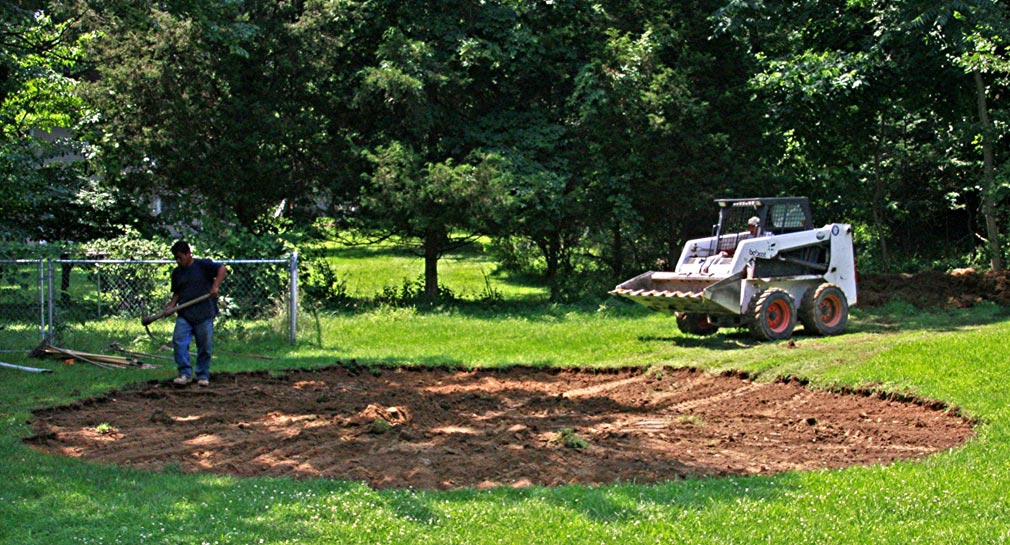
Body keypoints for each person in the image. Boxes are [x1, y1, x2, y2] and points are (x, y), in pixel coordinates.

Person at [165, 240, 227, 387]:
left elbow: (222, 269)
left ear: (188, 253)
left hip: (204, 313)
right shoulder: (177, 273)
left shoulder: (203, 265)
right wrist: (171, 306)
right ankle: (184, 373)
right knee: (179, 341)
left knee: (204, 346)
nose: (178, 261)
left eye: (180, 257)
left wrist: (215, 286)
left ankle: (202, 375)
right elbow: (177, 293)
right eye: (176, 258)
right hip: (185, 314)